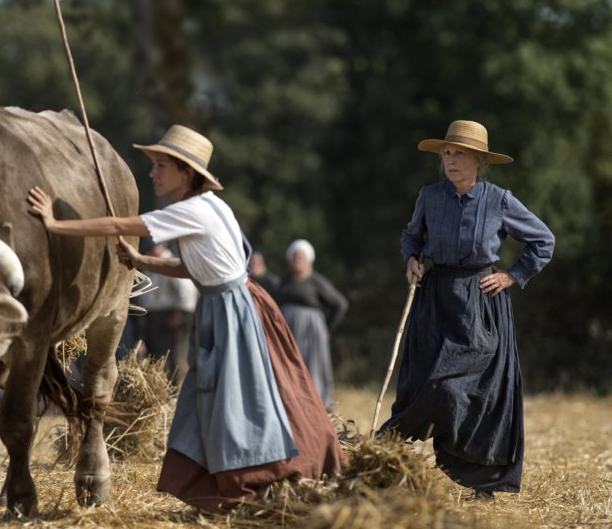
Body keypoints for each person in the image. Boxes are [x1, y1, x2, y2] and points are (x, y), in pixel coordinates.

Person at [28, 124, 343, 512]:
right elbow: (205, 266)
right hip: (233, 303)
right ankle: (228, 488)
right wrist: (143, 261)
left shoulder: (192, 210)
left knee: (236, 402)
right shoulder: (212, 206)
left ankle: (252, 486)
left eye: (161, 165)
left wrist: (54, 224)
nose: (152, 173)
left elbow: (116, 225)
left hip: (232, 313)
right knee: (221, 399)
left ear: (186, 172)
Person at [379, 120, 554, 501]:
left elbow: (543, 240)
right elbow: (412, 234)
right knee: (426, 384)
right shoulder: (430, 195)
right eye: (447, 153)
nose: (451, 160)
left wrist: (512, 275)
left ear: (479, 160)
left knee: (474, 393)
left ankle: (482, 484)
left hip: (480, 302)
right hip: (435, 300)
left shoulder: (500, 200)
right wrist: (411, 258)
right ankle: (386, 461)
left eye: (460, 154)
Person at [274, 238, 348, 411]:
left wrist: (328, 328)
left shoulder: (316, 282)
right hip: (288, 331)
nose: (297, 259)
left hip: (310, 332)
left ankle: (318, 406)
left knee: (313, 366)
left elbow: (340, 304)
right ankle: (290, 404)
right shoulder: (285, 282)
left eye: (301, 256)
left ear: (309, 259)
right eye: (294, 256)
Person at [121, 239, 198, 388]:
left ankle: (174, 387)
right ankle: (162, 386)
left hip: (169, 315)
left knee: (171, 355)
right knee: (156, 355)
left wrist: (177, 315)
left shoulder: (170, 261)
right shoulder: (151, 265)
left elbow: (186, 292)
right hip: (153, 316)